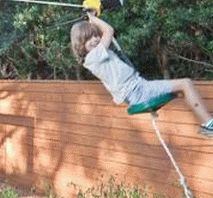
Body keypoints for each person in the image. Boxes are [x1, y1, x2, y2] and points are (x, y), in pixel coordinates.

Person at [70, 11, 213, 136]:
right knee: (185, 83)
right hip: (138, 91)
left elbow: (103, 34)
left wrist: (93, 19)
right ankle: (209, 124)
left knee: (181, 90)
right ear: (80, 44)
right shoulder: (94, 57)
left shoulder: (97, 55)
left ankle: (207, 123)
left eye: (95, 35)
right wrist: (92, 18)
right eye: (89, 38)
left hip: (139, 88)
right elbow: (108, 30)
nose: (95, 39)